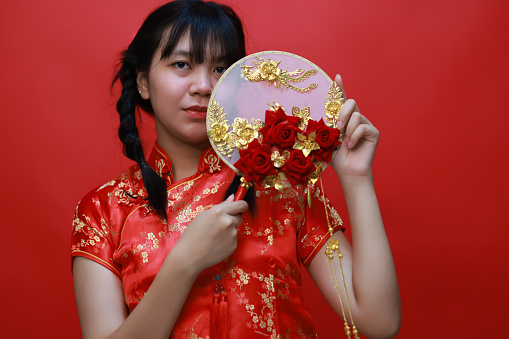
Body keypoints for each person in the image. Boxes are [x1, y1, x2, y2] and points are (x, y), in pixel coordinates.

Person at [71, 0, 401, 338]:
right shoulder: (104, 210)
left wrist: (356, 179)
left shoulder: (280, 184)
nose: (203, 86)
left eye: (219, 69)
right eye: (182, 64)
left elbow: (379, 323)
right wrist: (184, 264)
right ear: (142, 82)